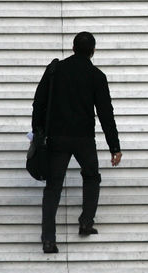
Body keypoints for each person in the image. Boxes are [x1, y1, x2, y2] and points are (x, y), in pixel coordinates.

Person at [31, 31, 122, 254]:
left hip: (58, 139)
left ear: (72, 48)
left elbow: (38, 103)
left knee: (53, 187)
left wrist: (38, 132)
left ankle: (49, 239)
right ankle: (85, 223)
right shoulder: (96, 76)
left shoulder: (54, 71)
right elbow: (105, 113)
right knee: (91, 177)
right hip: (84, 139)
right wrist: (114, 147)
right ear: (93, 51)